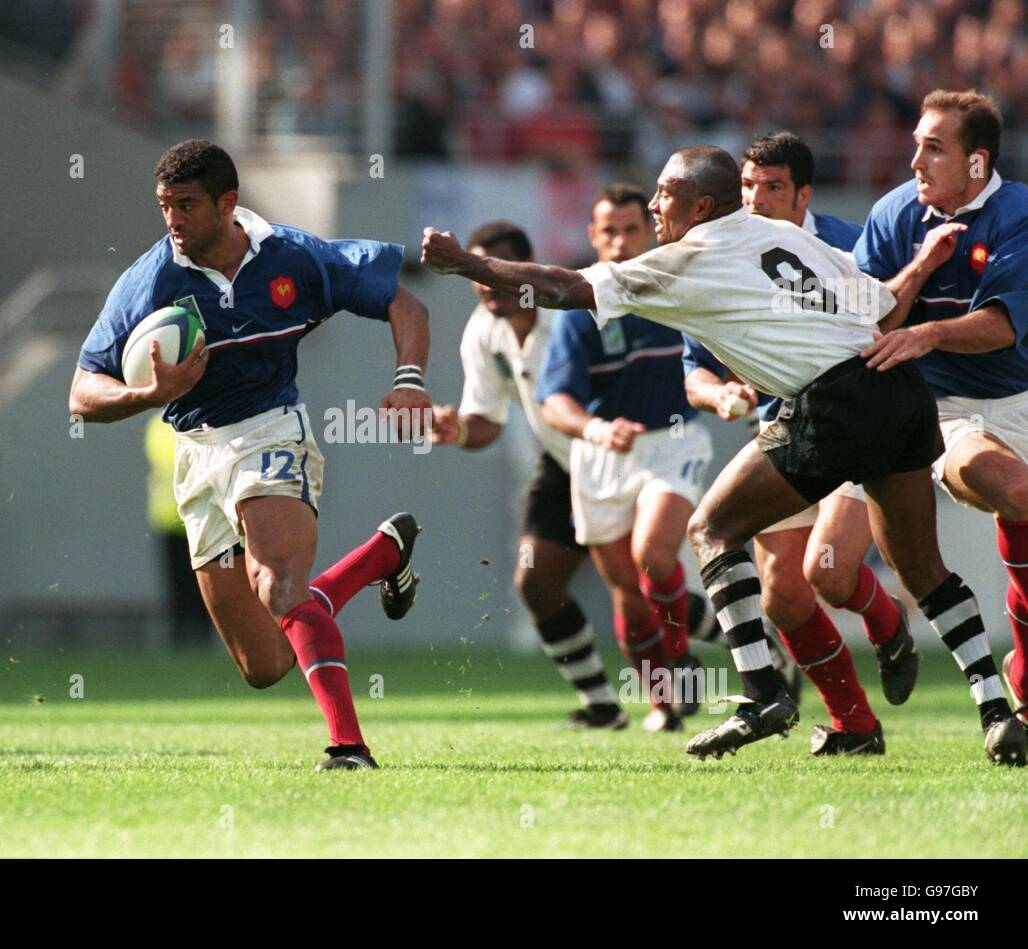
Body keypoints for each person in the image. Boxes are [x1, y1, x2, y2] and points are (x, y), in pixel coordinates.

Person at [422, 145, 1027, 765]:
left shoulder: (686, 259)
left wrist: (467, 262)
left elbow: (563, 285)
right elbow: (876, 305)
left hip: (833, 402)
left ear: (701, 205)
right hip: (898, 392)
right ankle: (996, 714)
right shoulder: (779, 234)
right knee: (923, 572)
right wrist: (922, 268)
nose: (655, 203)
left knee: (712, 530)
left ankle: (763, 694)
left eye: (663, 192)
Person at [70, 140, 432, 771]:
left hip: (270, 430)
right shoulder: (149, 280)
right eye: (164, 207)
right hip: (194, 452)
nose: (173, 221)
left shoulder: (294, 256)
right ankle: (380, 556)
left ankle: (348, 747)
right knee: (265, 663)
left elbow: (405, 300)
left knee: (279, 583)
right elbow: (81, 393)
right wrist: (145, 394)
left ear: (227, 203)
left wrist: (409, 380)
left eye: (186, 205)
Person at [430, 213, 716, 733]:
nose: (486, 291)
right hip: (563, 465)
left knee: (644, 577)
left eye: (491, 276)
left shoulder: (569, 308)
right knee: (536, 581)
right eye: (476, 279)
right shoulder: (482, 332)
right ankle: (604, 706)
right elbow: (486, 422)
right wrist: (458, 431)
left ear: (513, 272)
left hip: (623, 455)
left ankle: (750, 643)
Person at [682, 132, 903, 756]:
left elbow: (890, 318)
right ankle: (855, 727)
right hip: (787, 427)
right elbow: (694, 367)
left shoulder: (850, 243)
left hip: (859, 418)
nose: (755, 198)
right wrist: (719, 394)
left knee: (828, 571)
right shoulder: (721, 250)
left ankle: (890, 624)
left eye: (772, 186)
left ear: (803, 192)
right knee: (781, 594)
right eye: (748, 185)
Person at [856, 90, 1028, 728]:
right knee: (1008, 486)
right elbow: (870, 322)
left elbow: (1005, 328)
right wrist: (920, 272)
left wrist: (928, 333)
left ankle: (1022, 673)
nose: (915, 162)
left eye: (934, 148)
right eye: (915, 145)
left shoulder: (1019, 213)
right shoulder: (894, 214)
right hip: (947, 408)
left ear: (977, 164)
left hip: (1022, 394)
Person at [145, 411, 212, 646]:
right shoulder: (201, 423)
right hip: (192, 518)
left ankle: (184, 638)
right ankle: (195, 639)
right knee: (199, 585)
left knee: (181, 586)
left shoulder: (157, 425)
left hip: (172, 519)